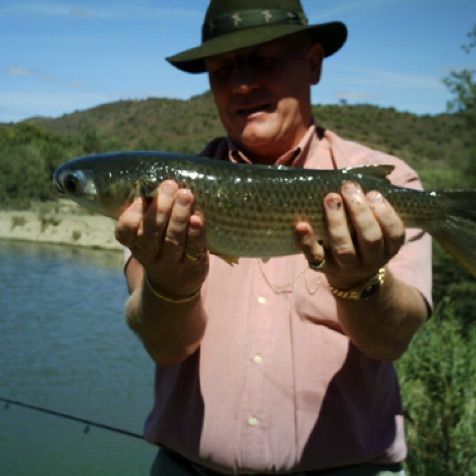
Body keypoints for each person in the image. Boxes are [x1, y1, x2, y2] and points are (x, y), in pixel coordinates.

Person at [115, 1, 432, 474]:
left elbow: (391, 341)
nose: (242, 83)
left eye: (264, 61)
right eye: (222, 69)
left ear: (312, 64)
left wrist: (363, 283)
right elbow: (164, 346)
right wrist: (169, 284)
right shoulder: (163, 200)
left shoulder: (389, 186)